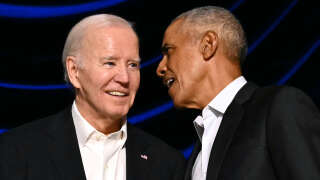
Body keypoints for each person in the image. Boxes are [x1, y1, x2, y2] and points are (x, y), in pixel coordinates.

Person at [0, 14, 186, 180]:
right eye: (109, 63)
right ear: (74, 71)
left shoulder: (167, 164)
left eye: (132, 65)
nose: (124, 78)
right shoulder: (16, 151)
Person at [156, 6, 320, 180]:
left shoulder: (280, 106)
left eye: (169, 51)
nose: (160, 68)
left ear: (208, 45)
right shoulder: (196, 154)